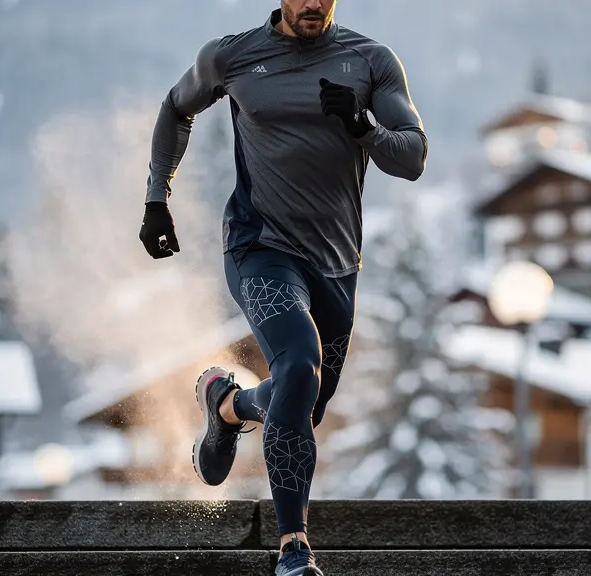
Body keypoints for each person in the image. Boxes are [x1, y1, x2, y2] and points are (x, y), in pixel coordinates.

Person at [139, 1, 426, 574]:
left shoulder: (369, 61)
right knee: (298, 367)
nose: (314, 4)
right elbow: (176, 108)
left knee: (301, 405)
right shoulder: (234, 55)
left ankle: (228, 405)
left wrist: (362, 127)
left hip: (337, 264)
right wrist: (156, 198)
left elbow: (413, 157)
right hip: (259, 246)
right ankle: (293, 547)